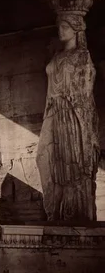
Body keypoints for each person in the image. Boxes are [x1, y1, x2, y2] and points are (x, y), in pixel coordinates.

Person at [37, 13, 99, 222]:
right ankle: (57, 209)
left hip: (73, 113)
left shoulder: (82, 56)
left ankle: (74, 211)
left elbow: (86, 89)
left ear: (76, 30)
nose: (60, 31)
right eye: (59, 26)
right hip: (55, 111)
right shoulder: (56, 57)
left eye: (65, 27)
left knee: (73, 163)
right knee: (46, 157)